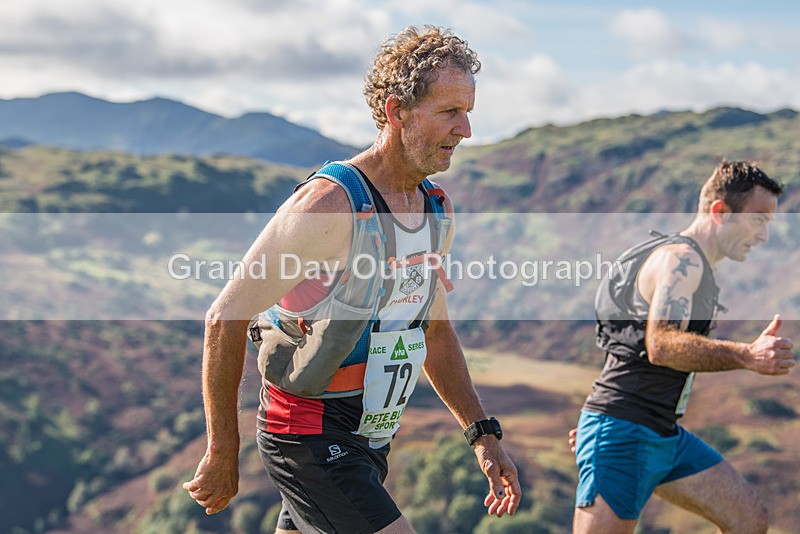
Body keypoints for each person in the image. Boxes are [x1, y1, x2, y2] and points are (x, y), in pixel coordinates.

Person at [183, 25, 521, 534]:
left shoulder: (435, 211)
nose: (466, 130)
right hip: (307, 436)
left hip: (371, 438)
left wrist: (482, 435)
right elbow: (224, 318)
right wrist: (222, 451)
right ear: (396, 111)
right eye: (450, 112)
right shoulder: (328, 206)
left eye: (468, 111)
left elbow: (433, 332)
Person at [572, 161, 795, 534]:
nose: (764, 236)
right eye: (758, 220)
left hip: (660, 432)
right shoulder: (682, 260)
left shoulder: (687, 259)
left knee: (749, 519)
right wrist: (748, 355)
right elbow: (661, 345)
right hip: (625, 431)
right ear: (720, 212)